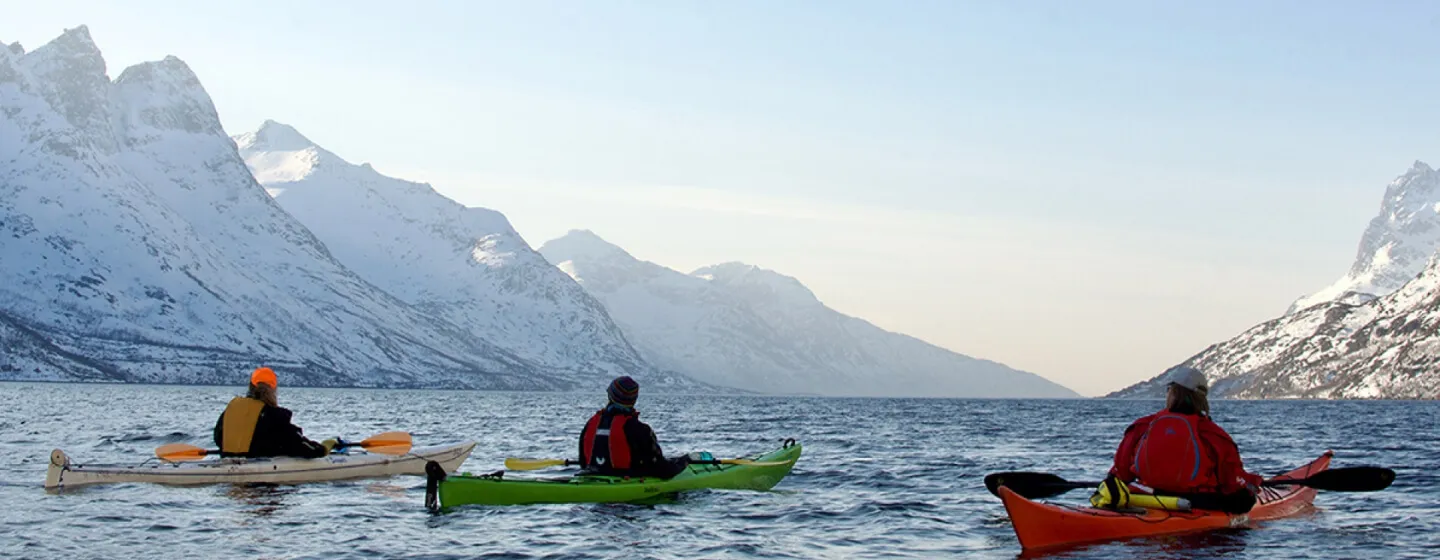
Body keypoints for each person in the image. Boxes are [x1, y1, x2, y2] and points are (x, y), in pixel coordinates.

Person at [1098, 365, 1265, 513]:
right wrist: (1251, 484)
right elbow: (1232, 482)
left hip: (1146, 498)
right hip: (1198, 503)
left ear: (1172, 392)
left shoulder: (1142, 426)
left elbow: (1119, 474)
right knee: (1243, 501)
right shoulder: (1213, 434)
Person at [578, 375, 689, 478]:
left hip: (592, 475)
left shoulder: (590, 424)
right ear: (633, 400)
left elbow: (583, 462)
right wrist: (683, 463)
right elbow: (661, 470)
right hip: (628, 480)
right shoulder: (640, 429)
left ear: (610, 396)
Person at [213, 367, 336, 459]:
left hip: (229, 466)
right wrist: (323, 449)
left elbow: (218, 439)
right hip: (261, 480)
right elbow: (299, 446)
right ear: (273, 389)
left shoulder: (231, 409)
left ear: (251, 386)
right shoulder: (274, 416)